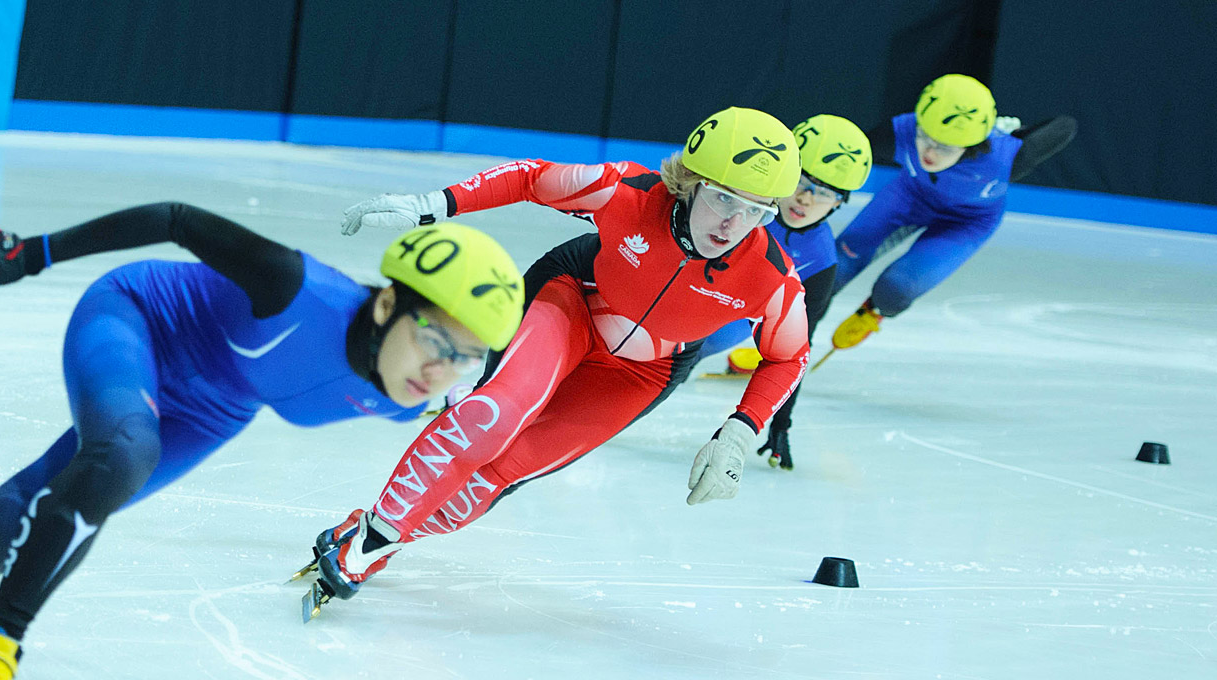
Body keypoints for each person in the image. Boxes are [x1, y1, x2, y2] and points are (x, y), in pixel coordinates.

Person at [0, 203, 523, 680]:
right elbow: (175, 219)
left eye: (465, 359)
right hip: (139, 320)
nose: (440, 369)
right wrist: (32, 253)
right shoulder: (295, 288)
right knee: (126, 453)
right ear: (388, 302)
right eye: (436, 342)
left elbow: (483, 437)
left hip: (212, 410)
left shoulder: (408, 394)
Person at [295, 106, 813, 614]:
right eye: (723, 199)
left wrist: (740, 432)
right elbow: (531, 178)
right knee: (495, 415)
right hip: (572, 298)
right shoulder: (628, 192)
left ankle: (373, 529)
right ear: (691, 182)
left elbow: (788, 356)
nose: (733, 223)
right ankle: (375, 542)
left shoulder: (771, 277)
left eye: (757, 211)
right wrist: (432, 204)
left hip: (645, 369)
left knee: (492, 479)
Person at [824, 73, 1077, 352]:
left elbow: (1065, 126)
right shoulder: (902, 132)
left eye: (944, 146)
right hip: (910, 197)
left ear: (971, 143)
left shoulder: (1007, 155)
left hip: (966, 222)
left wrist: (1021, 134)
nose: (929, 151)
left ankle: (874, 310)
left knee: (895, 290)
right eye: (924, 136)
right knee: (833, 269)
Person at [694, 114, 873, 470]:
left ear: (839, 203)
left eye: (824, 192)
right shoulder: (738, 199)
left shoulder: (822, 261)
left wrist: (780, 421)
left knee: (697, 344)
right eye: (803, 180)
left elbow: (796, 350)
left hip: (724, 313)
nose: (806, 198)